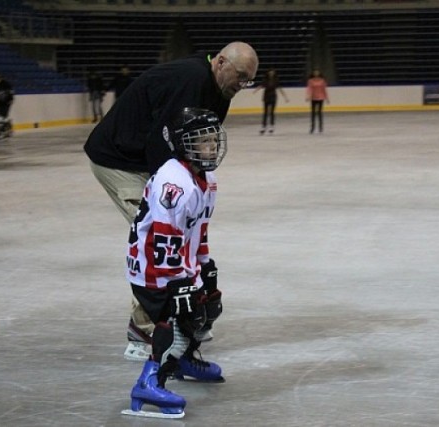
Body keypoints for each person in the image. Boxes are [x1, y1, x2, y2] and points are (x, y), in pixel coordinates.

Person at [84, 41, 258, 362]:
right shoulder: (190, 81)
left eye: (249, 81)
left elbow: (199, 139)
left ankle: (187, 312)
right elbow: (162, 142)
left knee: (183, 232)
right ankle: (144, 326)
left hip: (143, 159)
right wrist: (172, 195)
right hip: (119, 160)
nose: (243, 85)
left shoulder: (219, 89)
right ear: (220, 63)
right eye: (241, 77)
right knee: (158, 237)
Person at [122, 107, 226, 419]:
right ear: (183, 144)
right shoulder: (174, 181)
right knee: (181, 316)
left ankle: (183, 360)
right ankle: (149, 381)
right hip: (152, 267)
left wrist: (204, 267)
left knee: (208, 305)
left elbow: (198, 229)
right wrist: (180, 283)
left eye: (212, 139)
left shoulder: (207, 180)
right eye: (202, 141)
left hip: (177, 263)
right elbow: (164, 238)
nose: (211, 147)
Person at [253, 68, 288, 135]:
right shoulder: (265, 80)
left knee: (272, 112)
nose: (271, 73)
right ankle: (263, 127)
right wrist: (256, 90)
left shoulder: (276, 80)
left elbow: (280, 88)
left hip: (273, 97)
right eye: (270, 72)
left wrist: (285, 97)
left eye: (272, 72)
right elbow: (261, 85)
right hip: (266, 97)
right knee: (265, 112)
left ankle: (272, 126)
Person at [305, 69, 329, 134]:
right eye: (315, 72)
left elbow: (324, 89)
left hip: (321, 97)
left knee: (319, 112)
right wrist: (308, 96)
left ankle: (320, 127)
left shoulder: (322, 81)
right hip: (313, 97)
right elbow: (309, 89)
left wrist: (327, 98)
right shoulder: (310, 81)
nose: (316, 73)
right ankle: (312, 127)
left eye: (317, 72)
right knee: (313, 112)